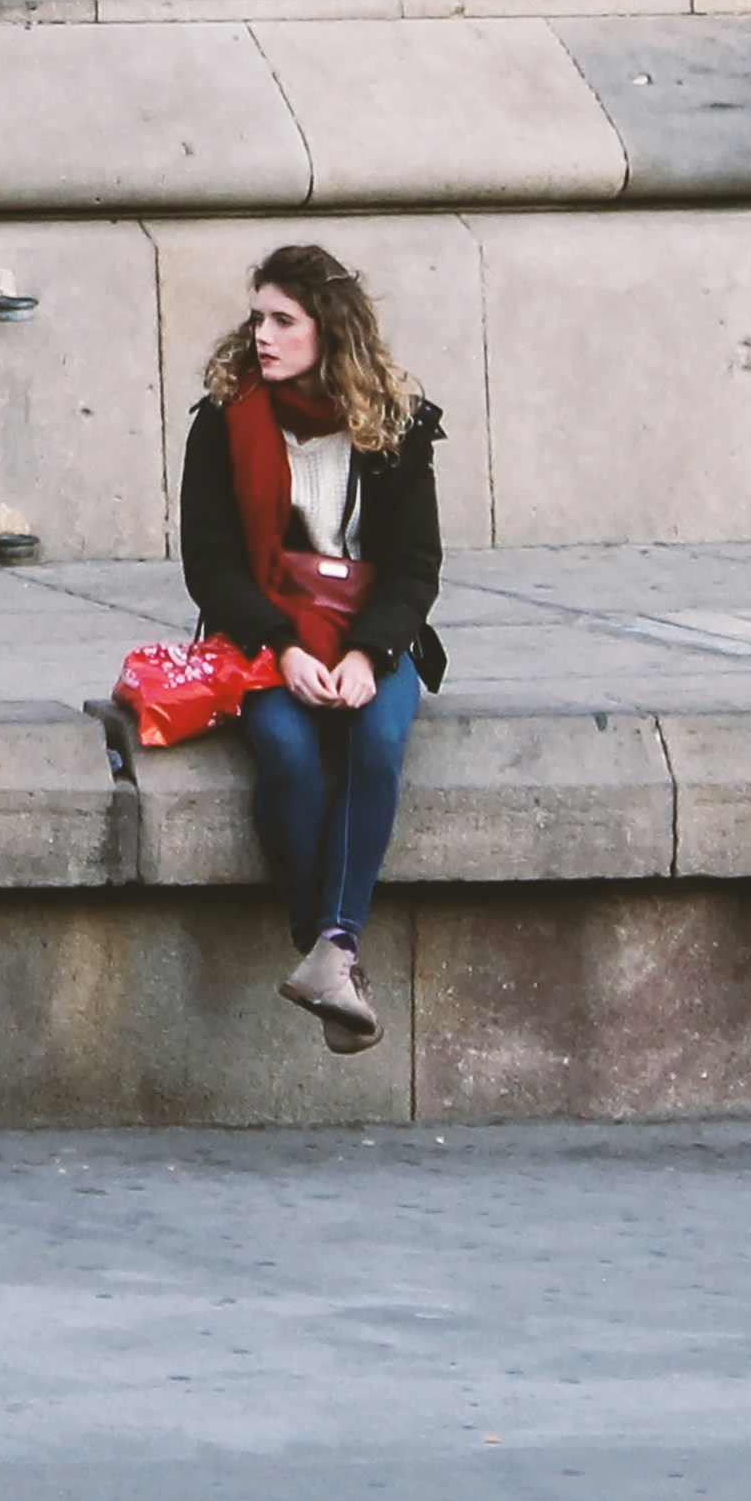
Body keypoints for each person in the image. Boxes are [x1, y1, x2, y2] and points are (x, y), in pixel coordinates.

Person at [179, 243, 445, 1054]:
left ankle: (328, 951)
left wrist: (366, 657)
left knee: (376, 740)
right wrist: (285, 650)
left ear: (327, 332)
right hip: (266, 631)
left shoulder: (394, 426)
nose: (262, 334)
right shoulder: (225, 420)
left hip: (372, 635)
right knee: (287, 748)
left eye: (282, 321)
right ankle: (330, 948)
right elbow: (210, 566)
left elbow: (413, 568)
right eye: (258, 316)